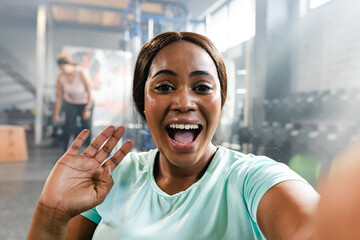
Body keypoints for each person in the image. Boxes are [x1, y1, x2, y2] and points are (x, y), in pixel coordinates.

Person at [28, 32, 319, 239]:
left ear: (221, 101)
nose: (184, 102)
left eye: (202, 87)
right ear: (143, 101)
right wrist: (50, 213)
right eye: (164, 86)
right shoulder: (110, 177)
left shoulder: (252, 180)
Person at [53, 54, 94, 152]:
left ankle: (88, 151)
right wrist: (56, 114)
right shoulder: (60, 76)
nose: (63, 70)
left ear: (70, 65)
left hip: (85, 103)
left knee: (86, 127)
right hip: (70, 103)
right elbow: (59, 97)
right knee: (69, 127)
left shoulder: (80, 72)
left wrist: (87, 109)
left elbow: (90, 91)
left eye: (64, 67)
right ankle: (66, 152)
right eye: (60, 68)